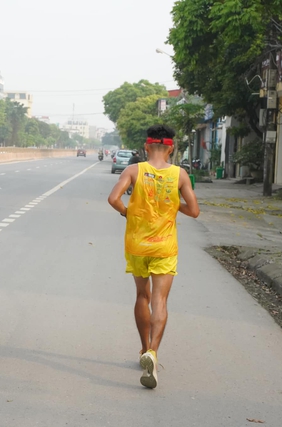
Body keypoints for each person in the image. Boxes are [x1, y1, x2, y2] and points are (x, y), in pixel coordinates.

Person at [107, 124, 199, 389]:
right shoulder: (179, 174)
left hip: (137, 245)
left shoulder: (133, 170)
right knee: (160, 299)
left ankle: (143, 347)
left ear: (146, 147)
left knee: (141, 296)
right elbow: (194, 211)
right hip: (164, 247)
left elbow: (113, 198)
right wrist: (172, 203)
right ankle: (153, 353)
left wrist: (127, 212)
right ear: (171, 149)